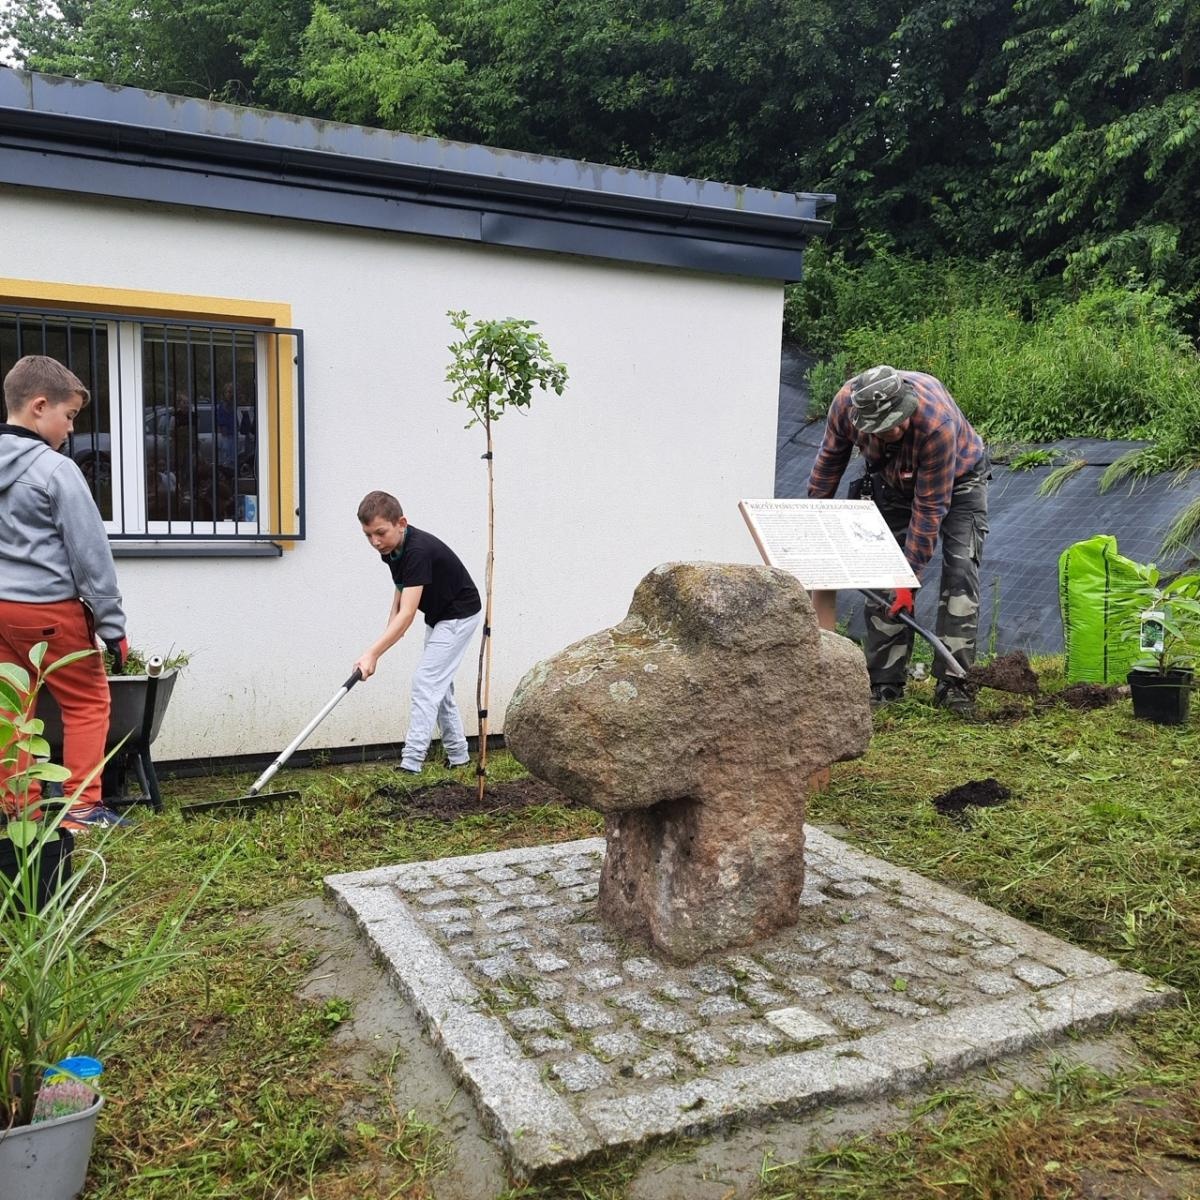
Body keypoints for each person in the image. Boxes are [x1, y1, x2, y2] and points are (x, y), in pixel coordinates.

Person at [807, 364, 989, 714]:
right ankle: (885, 684)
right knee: (881, 567)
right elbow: (829, 460)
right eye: (885, 427)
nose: (896, 429)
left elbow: (930, 507)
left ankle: (955, 684)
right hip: (892, 482)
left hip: (961, 481)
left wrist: (908, 578)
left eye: (899, 420)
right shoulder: (845, 406)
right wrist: (815, 518)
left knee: (960, 572)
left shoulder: (935, 424)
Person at [0, 355, 129, 828]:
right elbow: (90, 555)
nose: (72, 429)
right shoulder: (55, 470)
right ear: (39, 406)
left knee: (12, 706)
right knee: (87, 701)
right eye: (69, 416)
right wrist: (112, 625)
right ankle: (83, 806)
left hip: (0, 611)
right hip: (49, 609)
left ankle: (19, 806)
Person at [354, 491, 482, 773]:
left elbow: (408, 614)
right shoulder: (392, 550)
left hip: (459, 615)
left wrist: (372, 652)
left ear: (401, 522)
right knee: (439, 687)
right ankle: (459, 756)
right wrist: (381, 646)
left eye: (380, 533)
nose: (375, 542)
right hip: (438, 615)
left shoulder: (417, 551)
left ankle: (411, 763)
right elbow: (399, 599)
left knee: (425, 683)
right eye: (368, 536)